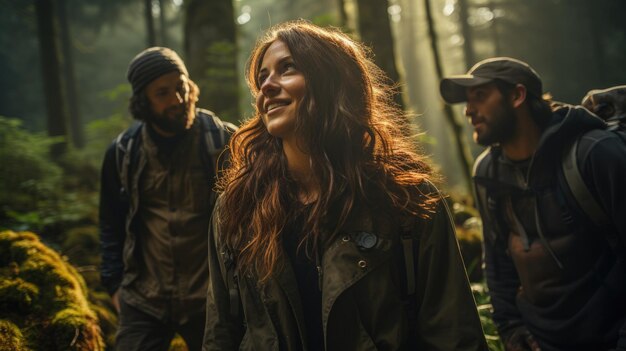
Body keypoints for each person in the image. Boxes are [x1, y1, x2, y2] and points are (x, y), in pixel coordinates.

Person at [202, 21, 487, 351]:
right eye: (262, 76)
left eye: (287, 68)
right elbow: (221, 331)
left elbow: (454, 335)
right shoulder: (237, 208)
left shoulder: (407, 200)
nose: (266, 86)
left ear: (331, 81)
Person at [440, 57, 626, 351]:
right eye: (467, 100)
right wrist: (511, 328)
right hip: (541, 341)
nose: (468, 110)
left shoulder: (595, 154)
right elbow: (498, 259)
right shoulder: (488, 172)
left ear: (517, 95)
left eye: (480, 95)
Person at [99, 47, 235, 350]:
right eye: (162, 93)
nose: (177, 99)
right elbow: (111, 224)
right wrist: (113, 286)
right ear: (142, 102)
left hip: (210, 299)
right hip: (144, 299)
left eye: (181, 86)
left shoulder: (224, 143)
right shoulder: (123, 153)